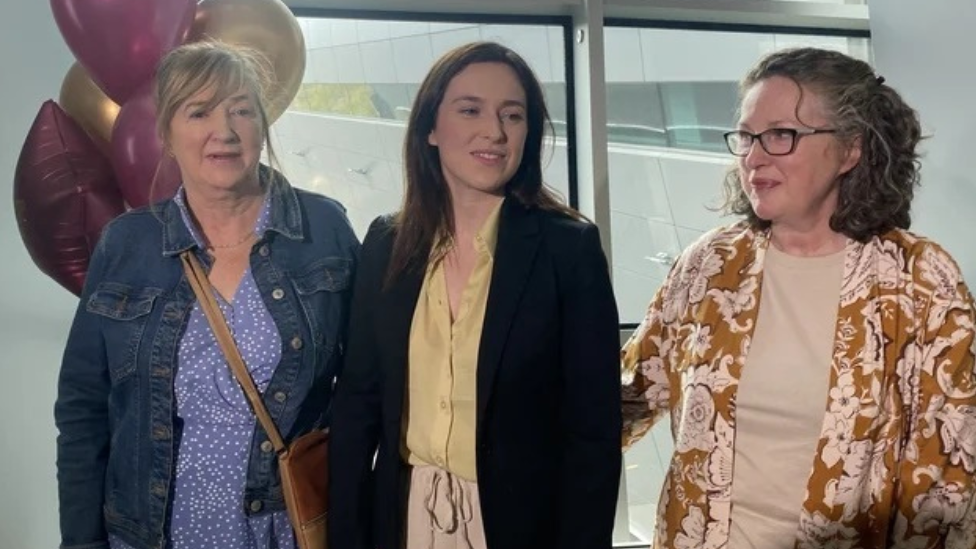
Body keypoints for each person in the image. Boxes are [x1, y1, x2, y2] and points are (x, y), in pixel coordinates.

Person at [621, 46, 976, 548]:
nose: (754, 156)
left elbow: (955, 472)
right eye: (746, 136)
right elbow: (631, 389)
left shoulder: (920, 280)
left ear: (850, 149)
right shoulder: (711, 264)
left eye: (781, 135)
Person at [54, 41, 358, 549]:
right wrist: (81, 542)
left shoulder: (323, 229)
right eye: (199, 112)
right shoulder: (128, 243)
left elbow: (368, 389)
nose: (225, 131)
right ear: (168, 132)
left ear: (263, 125)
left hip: (284, 531)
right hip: (150, 533)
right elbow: (83, 409)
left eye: (242, 110)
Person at [328, 41, 622, 549]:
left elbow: (592, 434)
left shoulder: (566, 249)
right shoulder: (387, 242)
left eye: (513, 115)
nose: (495, 131)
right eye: (470, 110)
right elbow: (358, 404)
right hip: (403, 518)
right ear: (431, 128)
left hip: (517, 526)